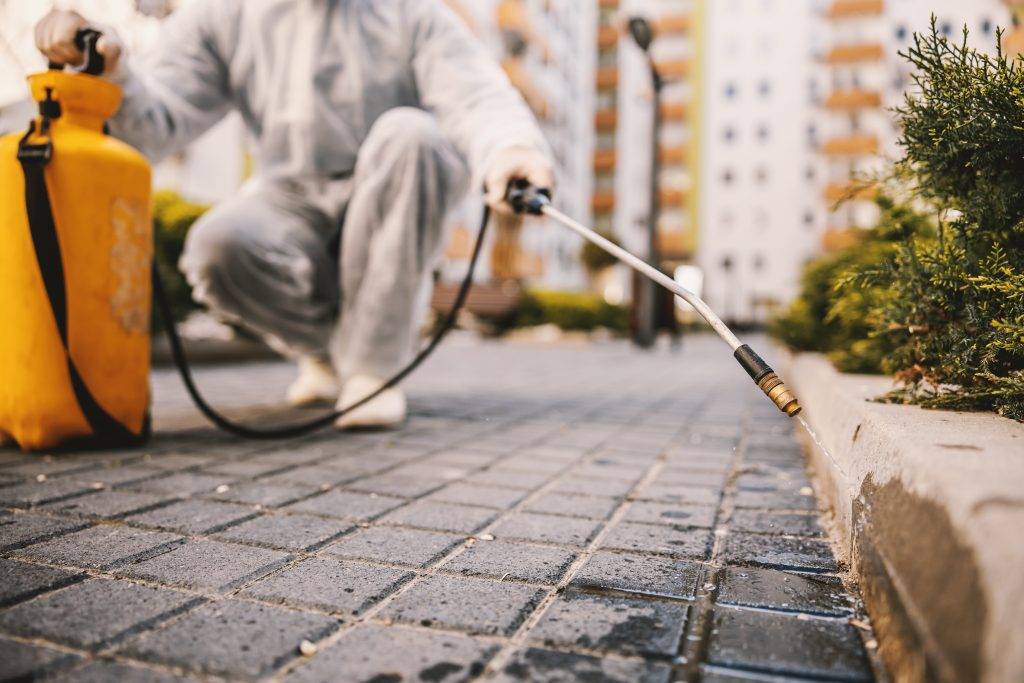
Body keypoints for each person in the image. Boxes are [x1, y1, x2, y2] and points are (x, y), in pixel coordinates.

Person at [35, 0, 554, 430]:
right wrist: (107, 65)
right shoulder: (224, 14)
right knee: (217, 248)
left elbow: (476, 95)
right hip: (287, 197)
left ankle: (373, 371)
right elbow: (156, 121)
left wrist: (510, 150)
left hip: (389, 188)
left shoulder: (411, 12)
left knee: (413, 135)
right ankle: (329, 357)